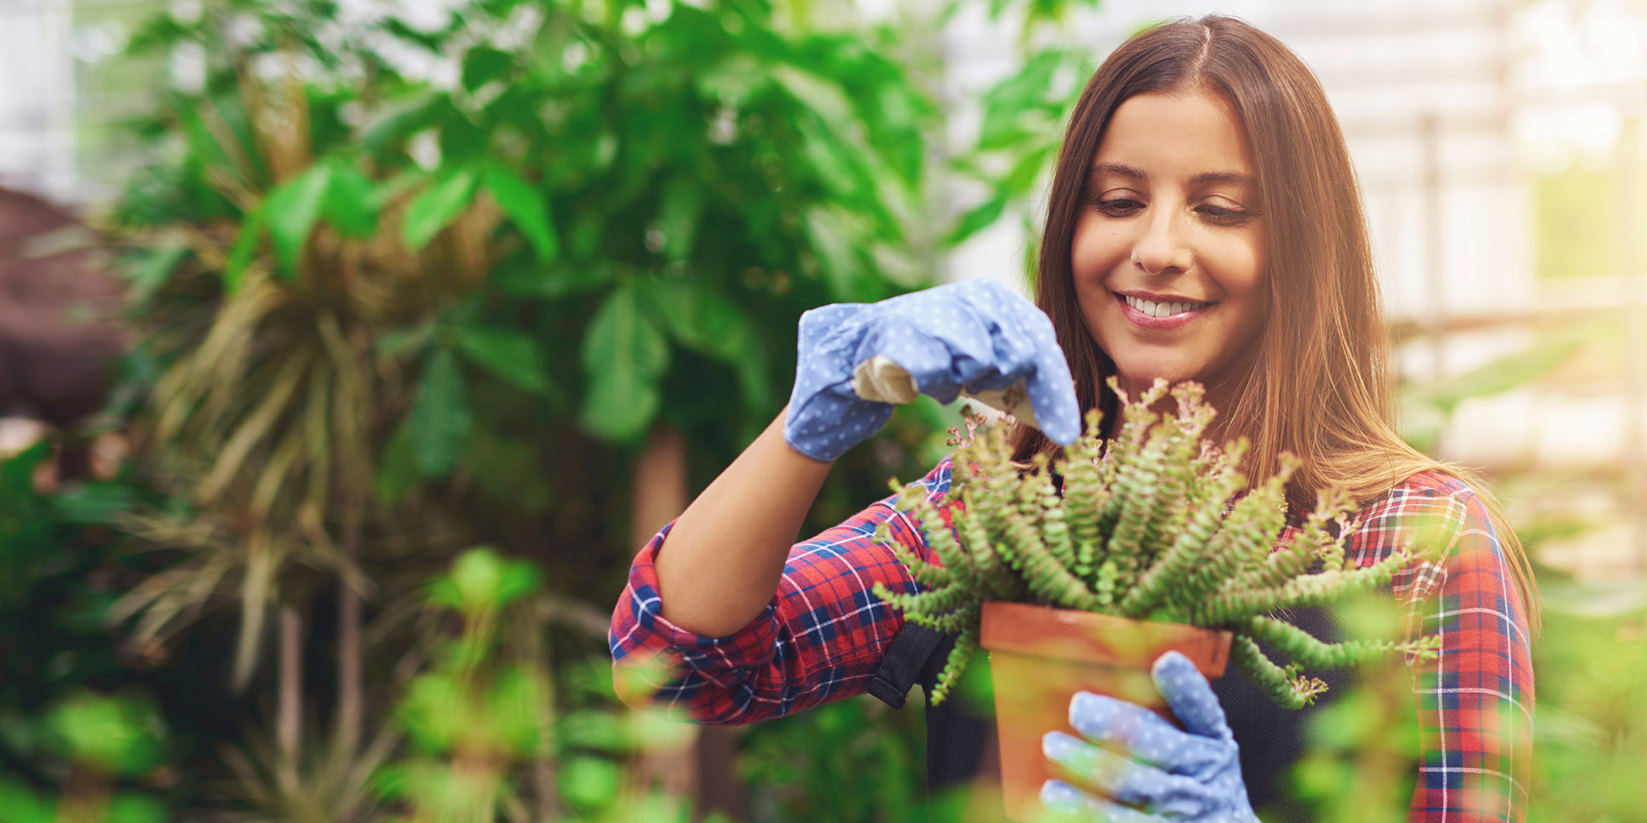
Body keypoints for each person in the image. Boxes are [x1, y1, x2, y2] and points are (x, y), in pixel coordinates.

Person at [610, 14, 1536, 822]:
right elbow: (674, 661)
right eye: (1119, 201)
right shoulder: (998, 505)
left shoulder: (1422, 538)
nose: (1158, 247)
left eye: (1220, 209)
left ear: (1302, 247)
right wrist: (821, 410)